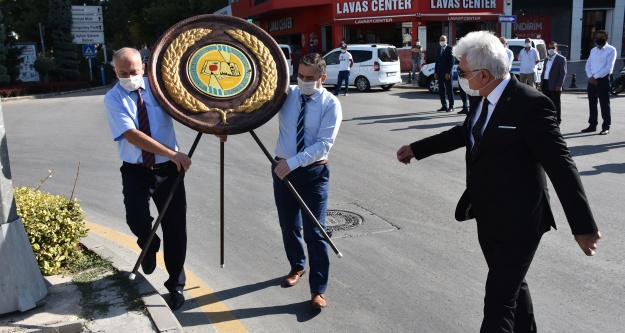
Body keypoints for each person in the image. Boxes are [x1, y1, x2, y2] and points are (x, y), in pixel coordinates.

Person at [396, 31, 601, 332]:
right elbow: (464, 133)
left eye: (463, 72)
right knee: (513, 289)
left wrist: (582, 226)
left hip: (520, 222)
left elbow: (561, 165)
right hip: (488, 216)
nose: (460, 77)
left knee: (498, 302)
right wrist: (418, 148)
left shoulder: (532, 105)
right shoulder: (482, 99)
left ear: (483, 74)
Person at [104, 47, 193, 310]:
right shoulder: (113, 98)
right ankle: (149, 242)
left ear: (142, 67)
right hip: (136, 170)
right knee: (137, 219)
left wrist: (216, 125)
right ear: (115, 72)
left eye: (133, 72)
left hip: (169, 171)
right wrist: (171, 152)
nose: (129, 76)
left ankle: (176, 285)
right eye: (122, 73)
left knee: (176, 229)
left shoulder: (160, 90)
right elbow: (131, 134)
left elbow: (188, 108)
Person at [273, 53, 342, 309]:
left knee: (316, 232)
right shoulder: (286, 95)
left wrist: (292, 163)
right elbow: (255, 106)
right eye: (300, 75)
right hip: (282, 170)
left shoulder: (330, 104)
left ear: (322, 78)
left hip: (313, 174)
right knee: (289, 225)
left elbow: (324, 145)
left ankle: (318, 289)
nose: (303, 81)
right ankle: (296, 266)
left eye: (310, 77)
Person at [583, 29, 616, 135]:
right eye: (597, 37)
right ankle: (592, 125)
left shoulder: (611, 50)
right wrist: (590, 77)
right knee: (592, 103)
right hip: (592, 79)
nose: (599, 39)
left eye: (601, 37)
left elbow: (608, 67)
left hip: (603, 79)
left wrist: (595, 77)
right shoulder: (593, 50)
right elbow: (588, 64)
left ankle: (606, 126)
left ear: (606, 38)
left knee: (604, 104)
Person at [541, 41, 567, 124]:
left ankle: (557, 119)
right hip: (545, 82)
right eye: (549, 48)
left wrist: (559, 84)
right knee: (547, 102)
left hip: (555, 84)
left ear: (556, 49)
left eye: (553, 48)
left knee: (556, 102)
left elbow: (563, 73)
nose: (551, 49)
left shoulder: (561, 59)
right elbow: (544, 71)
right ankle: (549, 118)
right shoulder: (546, 59)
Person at [434, 35, 454, 112]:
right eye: (440, 40)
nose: (441, 41)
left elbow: (451, 62)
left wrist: (448, 72)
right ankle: (444, 105)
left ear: (446, 41)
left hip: (447, 74)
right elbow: (437, 62)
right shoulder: (439, 50)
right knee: (441, 90)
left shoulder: (450, 49)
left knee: (449, 90)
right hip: (439, 73)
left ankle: (451, 106)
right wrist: (435, 72)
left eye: (443, 40)